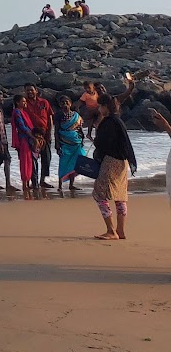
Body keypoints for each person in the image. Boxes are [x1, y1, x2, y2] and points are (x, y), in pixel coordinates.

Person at [91, 92, 137, 241]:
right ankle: (121, 230)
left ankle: (111, 230)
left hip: (110, 161)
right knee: (120, 196)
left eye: (100, 106)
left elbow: (101, 143)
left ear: (105, 106)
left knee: (99, 194)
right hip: (123, 162)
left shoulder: (108, 122)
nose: (99, 109)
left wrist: (97, 130)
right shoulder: (118, 121)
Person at [25, 84, 55, 191]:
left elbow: (50, 117)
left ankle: (42, 180)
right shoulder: (24, 104)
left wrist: (49, 134)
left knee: (46, 158)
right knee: (33, 159)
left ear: (36, 91)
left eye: (31, 90)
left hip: (45, 134)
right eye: (27, 90)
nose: (29, 92)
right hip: (31, 135)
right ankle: (34, 182)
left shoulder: (44, 102)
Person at [54, 95, 84, 196]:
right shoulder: (58, 115)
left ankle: (71, 184)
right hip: (64, 143)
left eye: (67, 102)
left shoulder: (75, 115)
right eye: (62, 102)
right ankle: (60, 185)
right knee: (63, 163)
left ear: (70, 103)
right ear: (59, 104)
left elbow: (79, 128)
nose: (65, 104)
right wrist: (57, 144)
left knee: (74, 163)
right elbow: (56, 131)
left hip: (76, 143)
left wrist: (82, 139)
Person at [11, 94, 39, 200]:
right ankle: (24, 184)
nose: (25, 103)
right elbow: (22, 126)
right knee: (25, 161)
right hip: (24, 140)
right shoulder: (17, 112)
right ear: (17, 102)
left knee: (29, 161)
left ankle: (27, 183)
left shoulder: (23, 112)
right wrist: (33, 137)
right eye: (23, 101)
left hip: (27, 139)